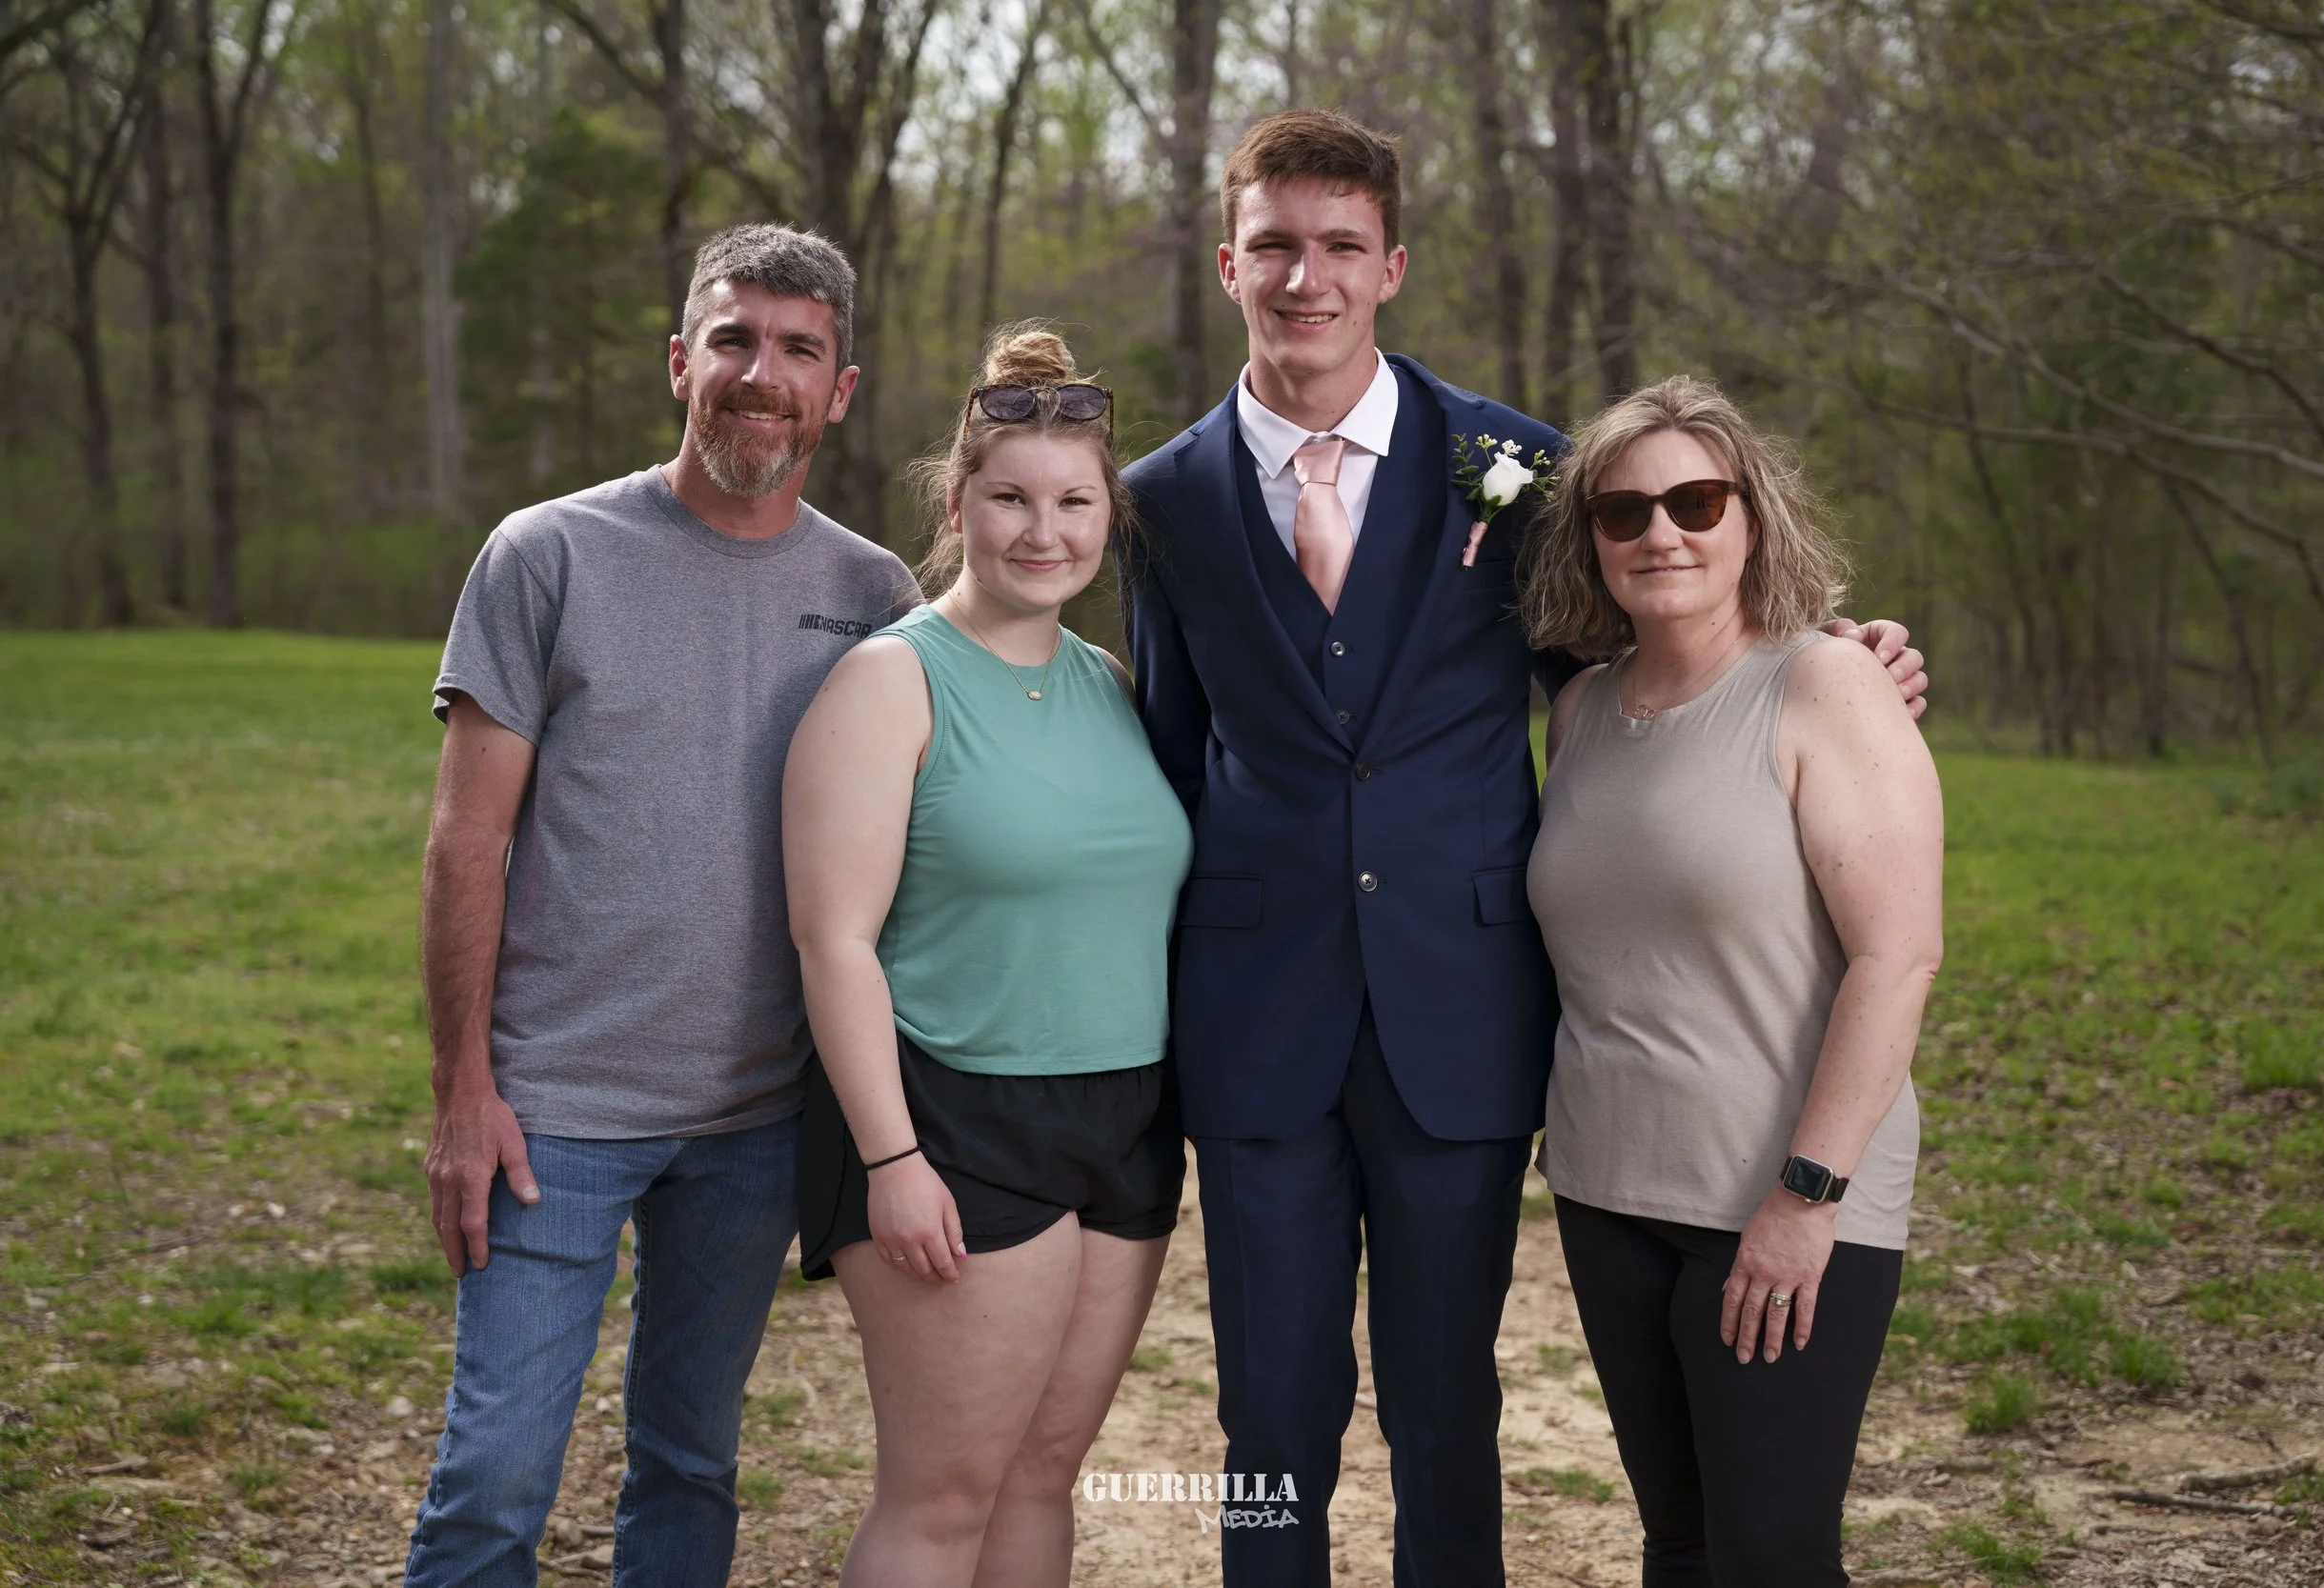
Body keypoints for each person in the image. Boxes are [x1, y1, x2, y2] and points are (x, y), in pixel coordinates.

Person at [1119, 108, 1930, 1587]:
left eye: (1341, 248)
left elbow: (1658, 655)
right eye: (1276, 247)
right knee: (1263, 1414)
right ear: (1229, 263)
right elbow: (1175, 757)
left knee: (1449, 1402)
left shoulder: (1519, 464)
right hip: (1253, 1024)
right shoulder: (1159, 500)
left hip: (1465, 1013)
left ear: (1392, 266)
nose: (1308, 277)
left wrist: (1836, 649)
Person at [406, 224, 919, 1588]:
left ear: (842, 388)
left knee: (691, 1459)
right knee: (494, 1480)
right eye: (736, 340)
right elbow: (466, 838)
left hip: (756, 1118)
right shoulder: (547, 554)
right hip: (551, 1110)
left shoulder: (876, 595)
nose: (764, 373)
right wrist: (464, 1085)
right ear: (681, 360)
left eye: (799, 349)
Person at [781, 324, 1193, 1588]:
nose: (1042, 529)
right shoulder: (890, 681)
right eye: (1009, 497)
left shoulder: (1109, 682)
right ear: (958, 502)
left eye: (1074, 501)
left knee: (1038, 1480)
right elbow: (833, 938)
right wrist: (892, 1157)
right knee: (944, 1495)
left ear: (1107, 513)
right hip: (952, 1118)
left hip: (1124, 1119)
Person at [1522, 376, 1943, 1587]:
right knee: (1681, 1543)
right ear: (1590, 538)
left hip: (1780, 1199)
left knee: (1772, 1552)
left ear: (1752, 517)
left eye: (1696, 501)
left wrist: (1806, 1195)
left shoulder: (1828, 684)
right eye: (1624, 510)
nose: (1662, 532)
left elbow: (1896, 955)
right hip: (1608, 1193)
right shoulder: (1585, 709)